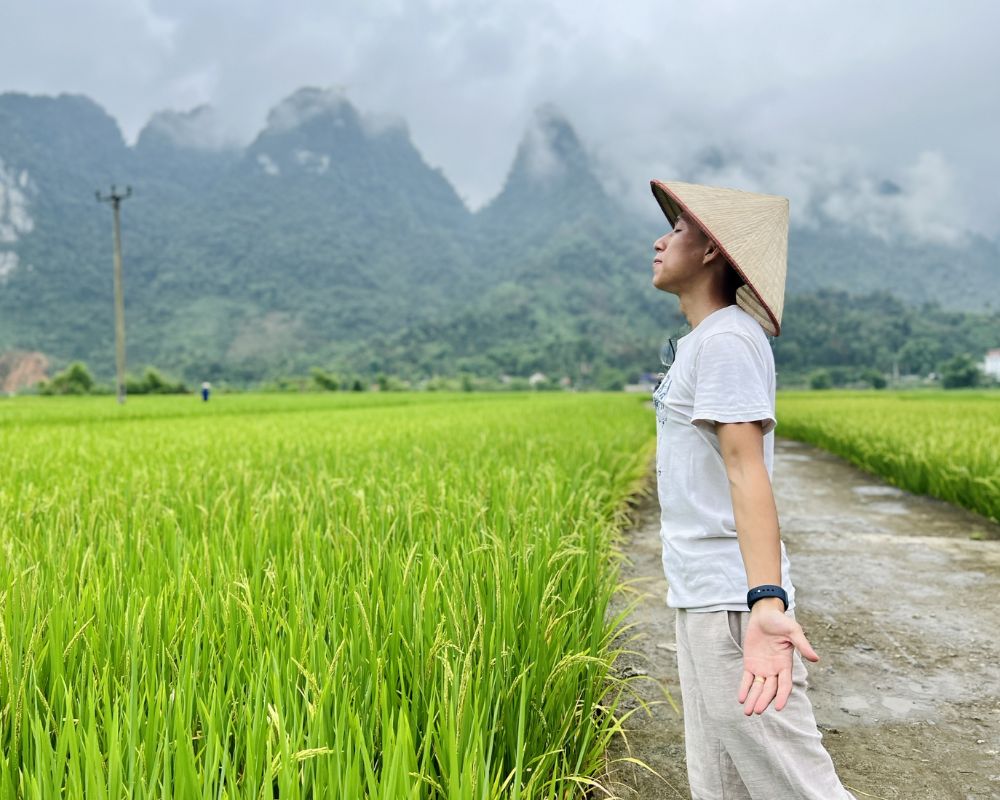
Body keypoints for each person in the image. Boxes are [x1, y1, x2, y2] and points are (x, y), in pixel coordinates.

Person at [648, 179, 856, 799]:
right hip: (702, 595)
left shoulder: (728, 341)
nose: (660, 241)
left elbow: (747, 472)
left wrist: (766, 603)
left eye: (678, 230)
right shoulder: (704, 341)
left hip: (734, 603)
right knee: (724, 786)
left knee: (797, 785)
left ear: (712, 250)